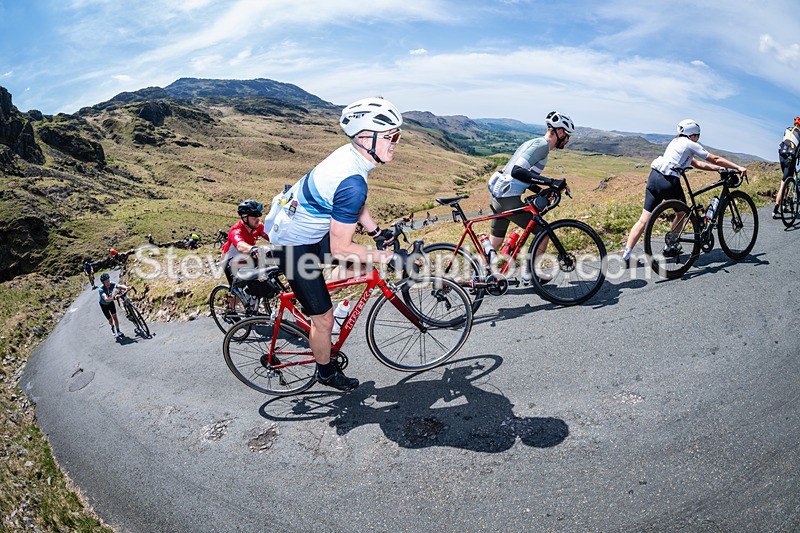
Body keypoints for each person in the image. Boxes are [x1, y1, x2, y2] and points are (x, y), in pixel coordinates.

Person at [264, 96, 405, 392]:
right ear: (366, 138)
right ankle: (325, 372)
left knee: (356, 262)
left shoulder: (351, 156)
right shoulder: (352, 180)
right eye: (391, 135)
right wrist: (387, 257)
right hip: (294, 247)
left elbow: (353, 205)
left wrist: (377, 232)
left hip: (306, 232)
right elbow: (342, 245)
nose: (396, 142)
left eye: (397, 135)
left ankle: (322, 302)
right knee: (324, 318)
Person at [622, 119, 748, 263]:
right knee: (681, 215)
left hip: (654, 177)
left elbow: (696, 163)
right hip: (669, 181)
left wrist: (718, 169)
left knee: (643, 219)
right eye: (697, 136)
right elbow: (715, 158)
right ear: (693, 135)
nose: (697, 139)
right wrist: (738, 167)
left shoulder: (675, 142)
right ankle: (670, 247)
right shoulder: (690, 144)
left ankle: (627, 255)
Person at [486, 111, 571, 252]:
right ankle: (530, 274)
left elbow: (523, 176)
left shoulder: (532, 143)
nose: (567, 140)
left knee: (494, 245)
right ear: (561, 132)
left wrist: (540, 190)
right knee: (543, 234)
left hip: (498, 198)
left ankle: (479, 274)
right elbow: (517, 171)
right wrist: (551, 182)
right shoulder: (542, 146)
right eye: (567, 136)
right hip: (508, 200)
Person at [220, 200, 271, 285]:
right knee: (241, 288)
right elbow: (240, 245)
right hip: (229, 261)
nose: (258, 219)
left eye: (258, 215)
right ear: (244, 217)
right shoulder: (236, 230)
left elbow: (271, 237)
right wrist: (253, 249)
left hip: (245, 256)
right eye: (254, 216)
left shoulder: (258, 226)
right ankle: (234, 297)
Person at [773, 117, 800, 219]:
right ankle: (775, 209)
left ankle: (784, 205)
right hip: (790, 157)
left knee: (785, 179)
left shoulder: (788, 129)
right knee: (785, 182)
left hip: (781, 155)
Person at [98, 272, 129, 337]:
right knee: (110, 320)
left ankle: (118, 331)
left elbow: (119, 286)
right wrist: (114, 298)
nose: (108, 283)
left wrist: (126, 287)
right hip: (103, 305)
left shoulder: (111, 283)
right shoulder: (101, 289)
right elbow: (106, 299)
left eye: (108, 281)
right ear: (103, 283)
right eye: (106, 282)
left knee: (115, 316)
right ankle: (112, 326)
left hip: (110, 302)